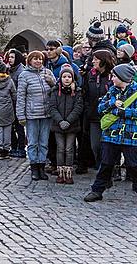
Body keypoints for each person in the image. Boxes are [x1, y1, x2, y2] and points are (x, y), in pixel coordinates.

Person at [84, 63, 137, 202]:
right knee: (106, 163)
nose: (112, 78)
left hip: (130, 136)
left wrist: (123, 112)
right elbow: (100, 108)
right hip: (111, 135)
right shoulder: (112, 91)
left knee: (133, 165)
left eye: (114, 76)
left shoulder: (135, 91)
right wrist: (112, 105)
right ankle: (97, 190)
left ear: (123, 77)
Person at [16, 50, 56, 181]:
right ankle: (34, 167)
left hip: (47, 113)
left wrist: (52, 83)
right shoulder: (24, 75)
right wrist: (20, 115)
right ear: (29, 61)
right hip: (32, 114)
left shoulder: (48, 73)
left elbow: (56, 91)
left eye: (40, 59)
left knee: (44, 142)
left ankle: (41, 166)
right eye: (35, 59)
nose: (38, 61)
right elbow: (21, 96)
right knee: (33, 142)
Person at [49, 64, 83, 184]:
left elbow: (78, 108)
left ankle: (68, 172)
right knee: (60, 148)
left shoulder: (77, 91)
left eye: (69, 76)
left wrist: (68, 121)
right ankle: (60, 172)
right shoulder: (54, 91)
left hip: (71, 125)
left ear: (72, 78)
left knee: (69, 149)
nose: (67, 79)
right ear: (60, 78)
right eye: (64, 76)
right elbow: (52, 107)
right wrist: (60, 121)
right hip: (58, 125)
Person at [82, 49, 114, 169]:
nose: (93, 61)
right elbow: (85, 92)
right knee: (95, 145)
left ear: (103, 60)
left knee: (109, 145)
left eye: (96, 59)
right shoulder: (90, 74)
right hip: (93, 115)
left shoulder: (112, 75)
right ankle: (100, 164)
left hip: (110, 116)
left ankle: (108, 168)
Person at [7, 49, 26, 158]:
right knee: (11, 126)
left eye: (12, 57)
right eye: (9, 57)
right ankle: (14, 147)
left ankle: (21, 148)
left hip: (18, 103)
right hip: (10, 103)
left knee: (19, 127)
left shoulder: (21, 71)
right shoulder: (10, 70)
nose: (10, 59)